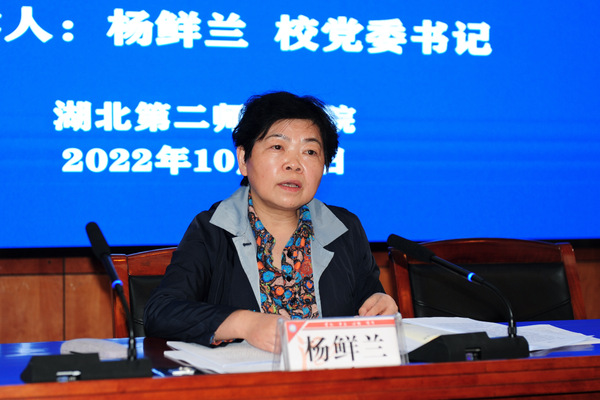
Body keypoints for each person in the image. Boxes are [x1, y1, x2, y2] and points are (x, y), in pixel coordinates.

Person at [143, 91, 397, 353]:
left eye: (310, 152)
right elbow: (161, 312)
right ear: (244, 159)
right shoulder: (213, 229)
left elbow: (370, 300)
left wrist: (379, 304)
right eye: (277, 147)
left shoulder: (344, 228)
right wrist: (245, 324)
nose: (294, 164)